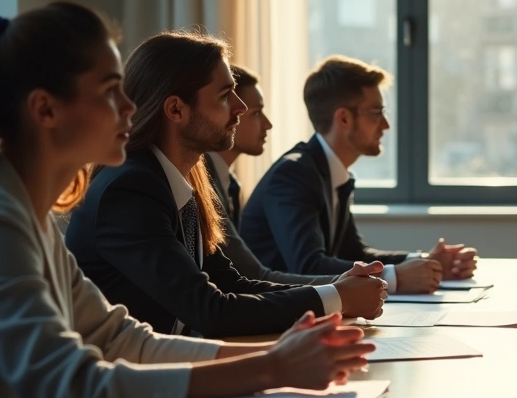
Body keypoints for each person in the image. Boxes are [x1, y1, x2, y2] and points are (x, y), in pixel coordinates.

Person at [0, 4, 373, 398]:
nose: (132, 108)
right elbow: (74, 387)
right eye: (110, 92)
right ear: (45, 109)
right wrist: (270, 369)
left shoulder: (22, 213)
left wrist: (277, 356)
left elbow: (122, 341)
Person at [66, 32, 388, 338]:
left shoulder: (178, 178)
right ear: (176, 109)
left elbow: (230, 283)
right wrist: (336, 298)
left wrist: (334, 291)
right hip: (126, 384)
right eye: (224, 95)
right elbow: (209, 310)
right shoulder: (130, 190)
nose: (240, 107)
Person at [241, 55, 478, 294]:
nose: (385, 124)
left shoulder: (332, 172)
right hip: (274, 319)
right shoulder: (293, 174)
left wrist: (425, 263)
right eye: (376, 111)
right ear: (343, 118)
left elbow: (355, 254)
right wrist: (396, 277)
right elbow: (308, 265)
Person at [201, 64, 323, 285]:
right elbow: (251, 275)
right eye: (256, 113)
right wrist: (342, 288)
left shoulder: (231, 184)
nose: (268, 124)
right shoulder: (204, 182)